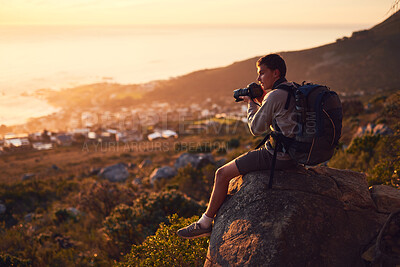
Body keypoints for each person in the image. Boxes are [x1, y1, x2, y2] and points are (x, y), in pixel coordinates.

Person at [177, 54, 298, 239]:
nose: (258, 79)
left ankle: (204, 223)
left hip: (278, 156)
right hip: (295, 154)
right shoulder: (292, 89)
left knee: (222, 174)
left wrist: (250, 104)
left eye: (262, 73)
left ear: (276, 73)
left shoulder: (274, 95)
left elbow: (256, 129)